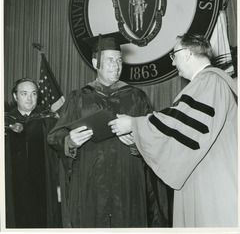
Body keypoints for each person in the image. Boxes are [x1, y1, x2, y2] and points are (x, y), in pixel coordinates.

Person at [109, 33, 238, 227]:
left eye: (174, 55)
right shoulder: (212, 82)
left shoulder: (209, 82)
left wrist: (134, 124)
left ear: (186, 54)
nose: (173, 63)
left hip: (212, 184)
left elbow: (182, 125)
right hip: (209, 176)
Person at [47, 32, 171, 228]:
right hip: (90, 182)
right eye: (110, 60)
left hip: (127, 181)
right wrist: (69, 140)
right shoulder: (78, 97)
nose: (116, 65)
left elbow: (155, 136)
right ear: (95, 62)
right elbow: (54, 136)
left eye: (119, 60)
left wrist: (137, 141)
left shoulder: (136, 97)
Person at [5, 78, 62, 228]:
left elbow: (58, 157)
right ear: (15, 96)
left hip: (44, 187)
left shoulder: (49, 120)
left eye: (34, 94)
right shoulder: (5, 122)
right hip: (13, 189)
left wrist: (58, 184)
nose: (30, 98)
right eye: (24, 93)